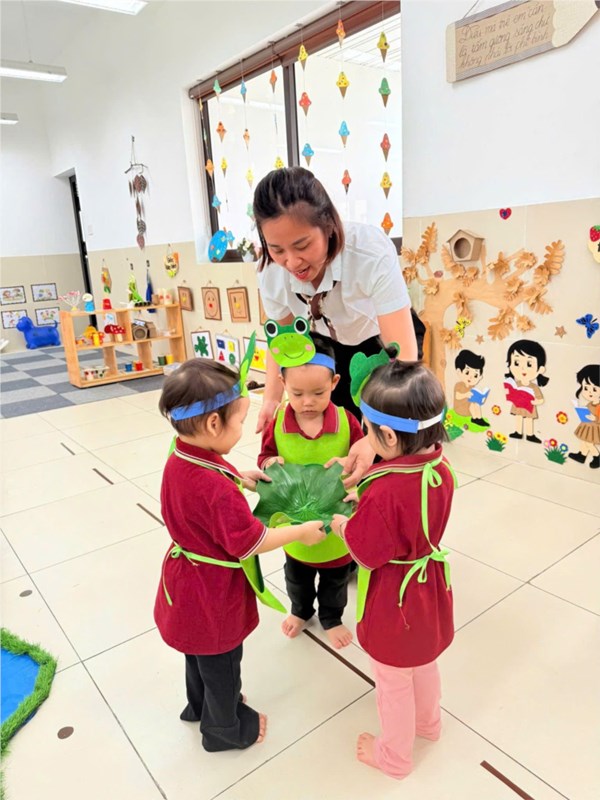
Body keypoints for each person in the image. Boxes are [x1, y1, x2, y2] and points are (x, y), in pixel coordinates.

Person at [154, 356, 325, 753]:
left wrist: (238, 476)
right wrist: (301, 532)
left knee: (197, 653)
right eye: (240, 421)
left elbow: (204, 477)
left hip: (184, 580)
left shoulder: (180, 453)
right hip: (212, 593)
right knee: (223, 662)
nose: (243, 429)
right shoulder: (217, 491)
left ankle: (199, 706)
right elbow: (251, 542)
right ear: (214, 424)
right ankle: (224, 729)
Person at [330, 349, 456, 779]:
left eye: (367, 430)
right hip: (429, 587)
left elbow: (367, 552)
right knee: (423, 662)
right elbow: (410, 513)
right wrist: (368, 500)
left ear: (386, 435)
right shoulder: (441, 468)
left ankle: (395, 757)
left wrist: (345, 524)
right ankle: (429, 725)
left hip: (395, 599)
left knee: (392, 679)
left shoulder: (384, 491)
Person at [253, 166, 418, 485]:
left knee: (384, 448)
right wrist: (271, 398)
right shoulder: (271, 273)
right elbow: (283, 343)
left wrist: (375, 439)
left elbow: (403, 357)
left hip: (379, 349)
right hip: (322, 349)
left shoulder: (369, 251)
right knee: (340, 443)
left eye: (302, 245)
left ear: (328, 224)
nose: (291, 262)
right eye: (277, 249)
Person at [258, 333, 364, 648]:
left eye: (318, 393)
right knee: (296, 576)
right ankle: (300, 610)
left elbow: (364, 464)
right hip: (294, 525)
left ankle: (331, 617)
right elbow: (264, 457)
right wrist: (269, 463)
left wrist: (355, 476)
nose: (307, 402)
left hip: (336, 523)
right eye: (297, 393)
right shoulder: (277, 423)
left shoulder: (347, 422)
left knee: (336, 580)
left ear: (334, 382)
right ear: (282, 383)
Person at [503, 339, 549, 444]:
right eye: (516, 363)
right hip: (518, 405)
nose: (523, 368)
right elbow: (510, 393)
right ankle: (518, 432)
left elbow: (540, 399)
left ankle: (530, 434)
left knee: (529, 419)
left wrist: (534, 402)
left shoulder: (533, 387)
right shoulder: (516, 384)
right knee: (518, 417)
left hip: (529, 406)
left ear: (540, 369)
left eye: (529, 364)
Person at [568, 364, 600, 468]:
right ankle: (582, 455)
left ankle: (597, 457)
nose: (589, 392)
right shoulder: (590, 403)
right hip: (587, 425)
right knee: (583, 441)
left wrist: (595, 418)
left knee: (589, 443)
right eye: (586, 388)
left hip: (594, 428)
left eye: (594, 389)